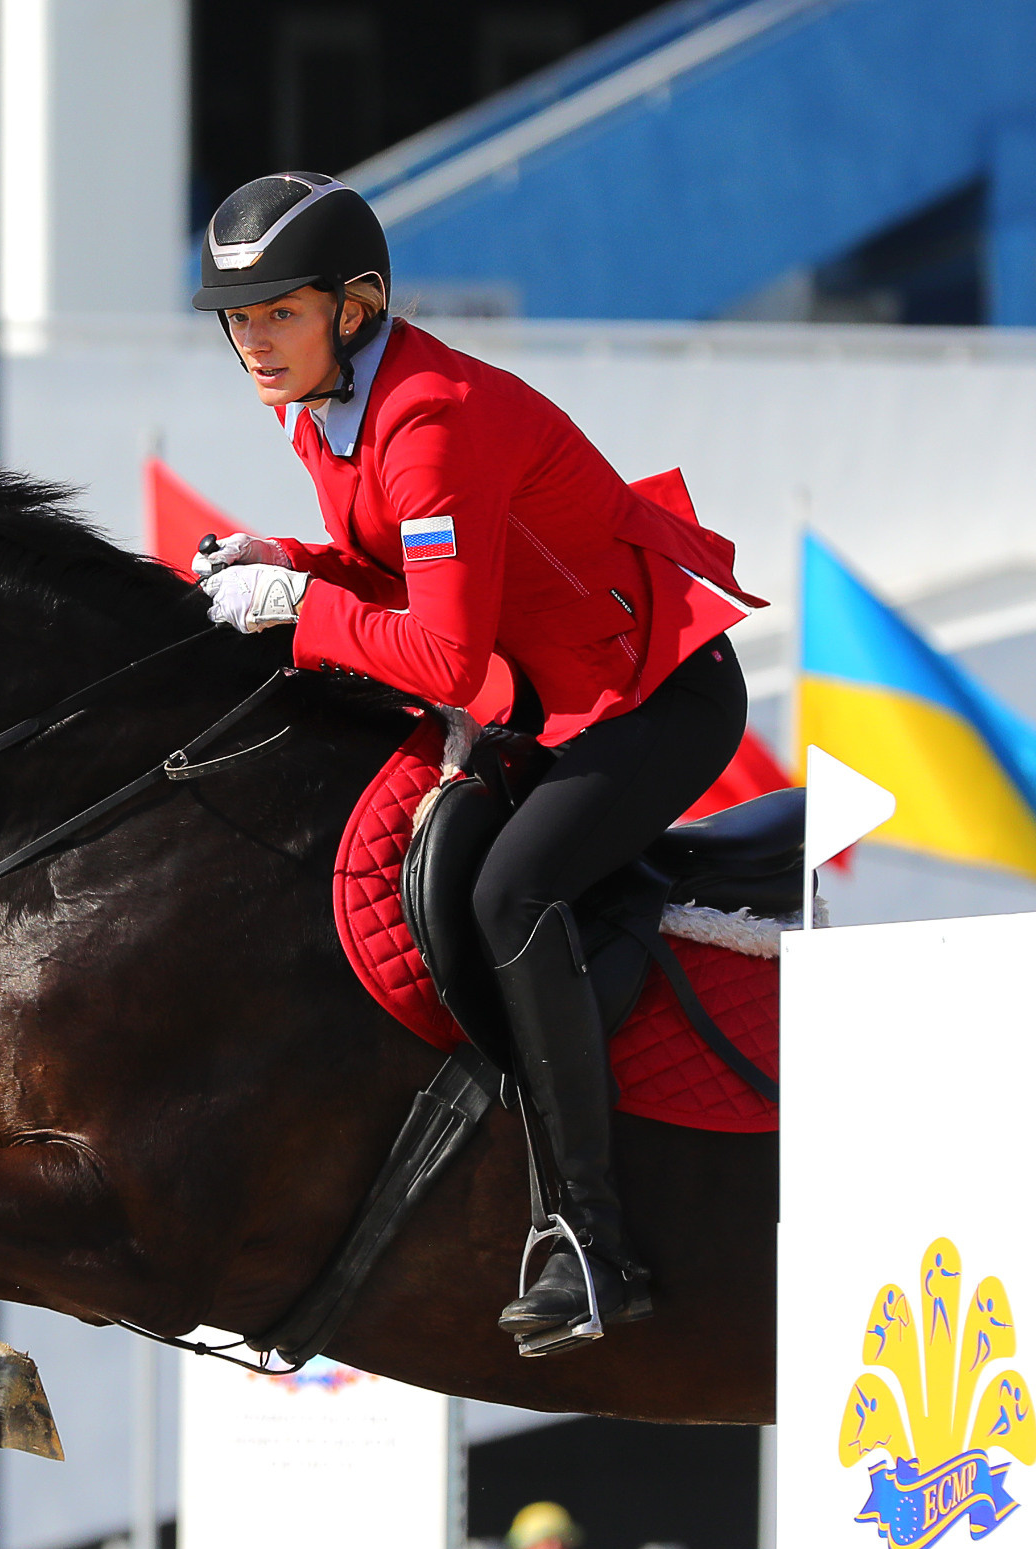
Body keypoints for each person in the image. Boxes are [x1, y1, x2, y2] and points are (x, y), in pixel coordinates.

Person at [190, 171, 762, 1347]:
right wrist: (286, 554)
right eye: (237, 319)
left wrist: (295, 603)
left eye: (276, 314)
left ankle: (593, 1244)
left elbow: (446, 659)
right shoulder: (319, 402)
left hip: (654, 700)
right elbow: (402, 571)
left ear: (354, 308)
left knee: (511, 890)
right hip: (556, 700)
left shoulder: (426, 418)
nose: (252, 343)